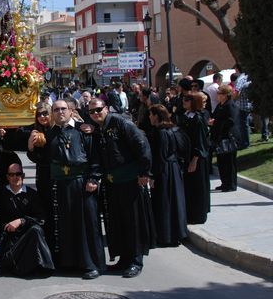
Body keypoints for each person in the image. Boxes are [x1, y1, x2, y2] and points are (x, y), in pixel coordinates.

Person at [27, 99, 104, 279]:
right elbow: (42, 160)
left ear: (70, 111)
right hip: (59, 186)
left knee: (86, 225)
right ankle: (68, 262)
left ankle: (90, 264)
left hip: (82, 183)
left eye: (63, 109)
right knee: (65, 225)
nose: (60, 112)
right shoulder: (50, 134)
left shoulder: (83, 130)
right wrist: (31, 148)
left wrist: (94, 178)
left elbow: (95, 156)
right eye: (56, 109)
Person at [87, 98, 155, 278]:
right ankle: (124, 259)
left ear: (106, 109)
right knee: (117, 222)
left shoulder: (122, 123)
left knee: (134, 222)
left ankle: (136, 260)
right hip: (112, 183)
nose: (95, 113)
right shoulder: (98, 129)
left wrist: (144, 172)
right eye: (92, 111)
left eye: (98, 109)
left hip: (130, 181)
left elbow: (142, 145)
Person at [0, 163, 55, 276]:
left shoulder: (32, 195)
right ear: (7, 177)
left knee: (36, 230)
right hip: (9, 242)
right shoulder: (0, 194)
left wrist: (22, 221)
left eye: (18, 174)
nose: (15, 177)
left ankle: (45, 268)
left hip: (28, 239)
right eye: (11, 174)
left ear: (23, 176)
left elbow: (41, 219)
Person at [147, 105, 188, 247]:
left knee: (164, 202)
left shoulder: (161, 132)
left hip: (164, 171)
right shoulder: (173, 129)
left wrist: (152, 176)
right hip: (173, 169)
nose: (149, 117)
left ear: (156, 116)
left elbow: (160, 156)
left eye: (151, 115)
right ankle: (175, 234)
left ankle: (166, 236)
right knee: (174, 201)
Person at [181, 92, 211, 224]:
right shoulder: (187, 116)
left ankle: (198, 215)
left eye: (187, 100)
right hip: (187, 157)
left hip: (196, 159)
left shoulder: (197, 119)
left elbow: (200, 142)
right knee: (189, 188)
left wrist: (194, 159)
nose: (184, 102)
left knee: (198, 188)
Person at [210, 85, 240, 192]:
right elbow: (215, 116)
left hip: (228, 138)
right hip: (220, 138)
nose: (217, 95)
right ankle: (224, 183)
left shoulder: (231, 105)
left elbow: (231, 121)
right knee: (221, 162)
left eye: (220, 93)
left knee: (229, 162)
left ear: (226, 95)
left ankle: (231, 184)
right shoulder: (220, 105)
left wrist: (217, 122)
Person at [233, 64, 252, 149]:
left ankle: (244, 143)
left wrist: (232, 100)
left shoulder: (240, 79)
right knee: (245, 124)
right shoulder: (247, 77)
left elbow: (237, 92)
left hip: (240, 105)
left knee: (242, 125)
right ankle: (246, 142)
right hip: (247, 104)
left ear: (237, 69)